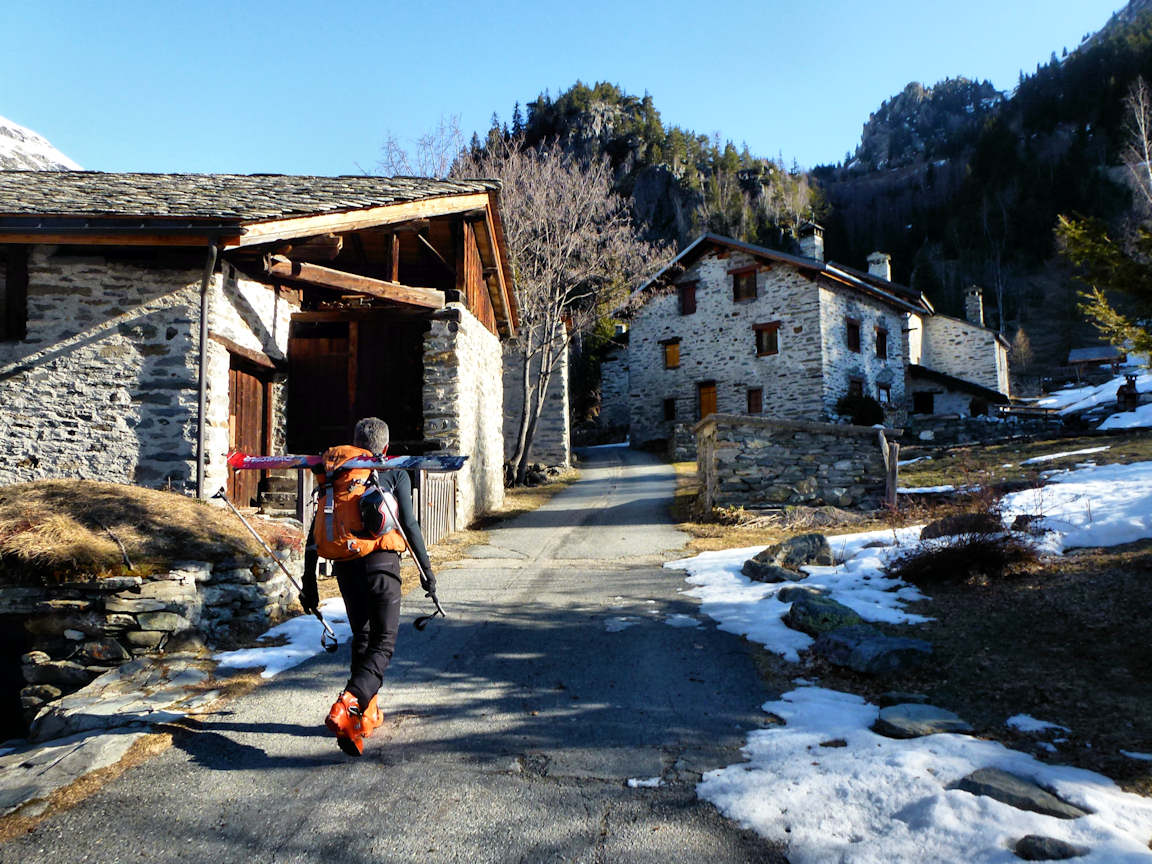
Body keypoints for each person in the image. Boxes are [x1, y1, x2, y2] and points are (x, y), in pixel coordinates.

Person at [298, 417, 436, 756]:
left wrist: (309, 581)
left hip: (346, 564)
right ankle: (350, 702)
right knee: (384, 642)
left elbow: (318, 529)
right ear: (385, 448)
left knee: (362, 635)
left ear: (357, 443)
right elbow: (409, 524)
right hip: (381, 563)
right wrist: (427, 571)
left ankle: (361, 718)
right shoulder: (392, 472)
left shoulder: (338, 477)